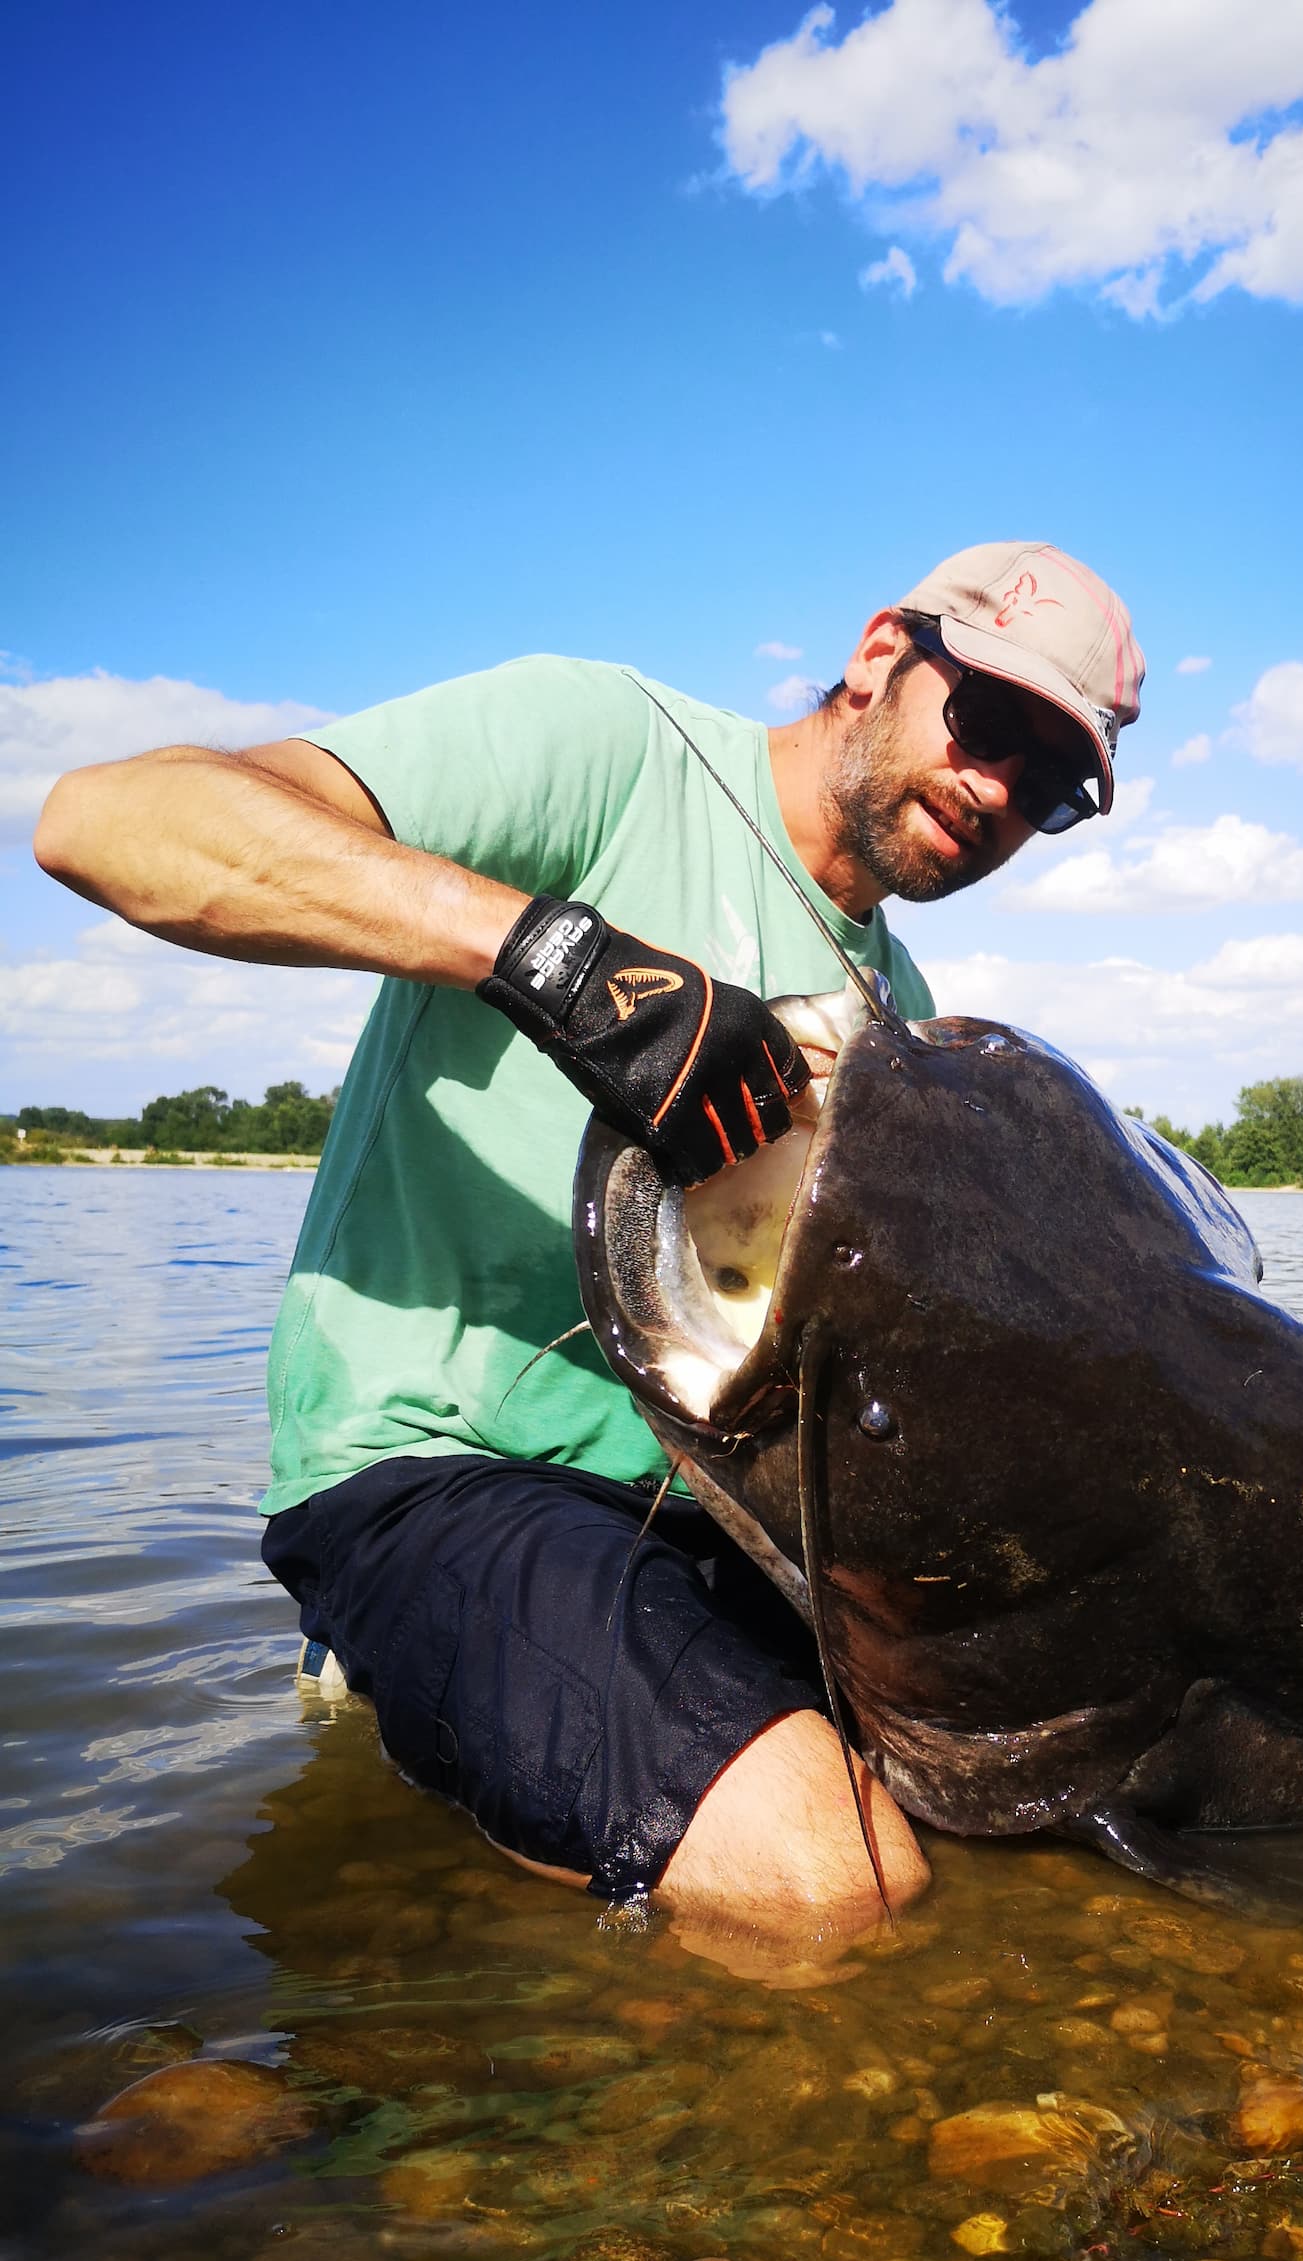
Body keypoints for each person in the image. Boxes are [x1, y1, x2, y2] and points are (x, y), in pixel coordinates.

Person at [34, 542, 1146, 1966]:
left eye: (1049, 786)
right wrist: (565, 964)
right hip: (437, 1466)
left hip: (708, 1520)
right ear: (881, 654)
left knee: (1036, 1790)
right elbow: (109, 821)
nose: (998, 793)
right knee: (837, 1884)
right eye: (988, 725)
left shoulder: (897, 1002)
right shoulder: (609, 745)